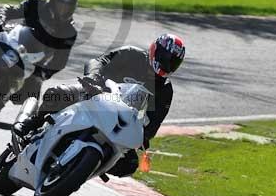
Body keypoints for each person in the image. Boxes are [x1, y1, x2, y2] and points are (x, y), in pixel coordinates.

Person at [12, 34, 186, 177]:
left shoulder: (164, 90)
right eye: (165, 58)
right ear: (155, 50)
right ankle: (32, 123)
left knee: (130, 164)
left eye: (173, 62)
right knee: (58, 92)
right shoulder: (131, 54)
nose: (167, 64)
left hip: (119, 119)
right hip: (95, 94)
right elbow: (99, 61)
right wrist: (94, 78)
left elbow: (154, 122)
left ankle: (87, 167)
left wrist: (143, 137)